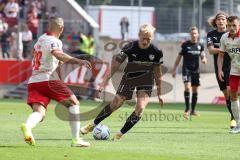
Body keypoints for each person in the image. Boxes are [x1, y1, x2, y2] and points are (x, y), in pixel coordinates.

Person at [80, 24, 164, 140]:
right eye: (143, 38)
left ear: (152, 38)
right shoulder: (130, 47)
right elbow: (115, 65)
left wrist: (159, 93)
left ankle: (120, 134)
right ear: (139, 35)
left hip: (146, 80)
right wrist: (105, 81)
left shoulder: (156, 52)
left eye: (148, 39)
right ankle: (92, 125)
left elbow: (158, 74)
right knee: (116, 103)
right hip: (129, 77)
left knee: (140, 109)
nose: (145, 42)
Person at [20, 17, 91, 147]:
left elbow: (37, 53)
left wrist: (56, 61)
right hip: (48, 79)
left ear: (48, 27)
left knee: (39, 112)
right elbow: (57, 53)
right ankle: (76, 140)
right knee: (73, 103)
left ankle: (28, 127)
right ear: (61, 29)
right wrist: (79, 61)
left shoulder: (41, 39)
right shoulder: (54, 41)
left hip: (34, 81)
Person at [207, 12, 236, 128]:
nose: (221, 21)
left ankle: (234, 118)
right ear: (216, 21)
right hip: (219, 66)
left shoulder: (231, 33)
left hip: (232, 65)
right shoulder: (211, 34)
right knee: (226, 94)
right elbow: (210, 50)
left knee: (231, 91)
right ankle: (234, 116)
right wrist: (223, 49)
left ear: (226, 21)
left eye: (223, 19)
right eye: (219, 19)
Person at [172, 26, 207, 118]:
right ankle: (187, 109)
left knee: (195, 90)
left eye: (195, 33)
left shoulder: (200, 45)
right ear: (190, 35)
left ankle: (193, 110)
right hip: (186, 70)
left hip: (196, 71)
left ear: (198, 34)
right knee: (187, 88)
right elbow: (179, 57)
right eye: (192, 34)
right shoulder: (185, 45)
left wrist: (204, 59)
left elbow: (203, 54)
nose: (194, 35)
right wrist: (174, 68)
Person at [218, 16, 240, 133]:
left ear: (239, 25)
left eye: (234, 26)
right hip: (235, 71)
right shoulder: (224, 38)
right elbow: (221, 55)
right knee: (233, 96)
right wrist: (219, 69)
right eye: (229, 26)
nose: (232, 28)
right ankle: (238, 124)